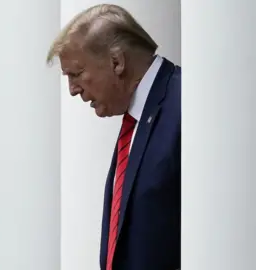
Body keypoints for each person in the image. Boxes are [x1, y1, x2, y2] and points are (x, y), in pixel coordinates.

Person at [47, 4, 180, 270]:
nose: (73, 90)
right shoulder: (137, 119)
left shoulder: (184, 104)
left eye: (76, 74)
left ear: (117, 62)